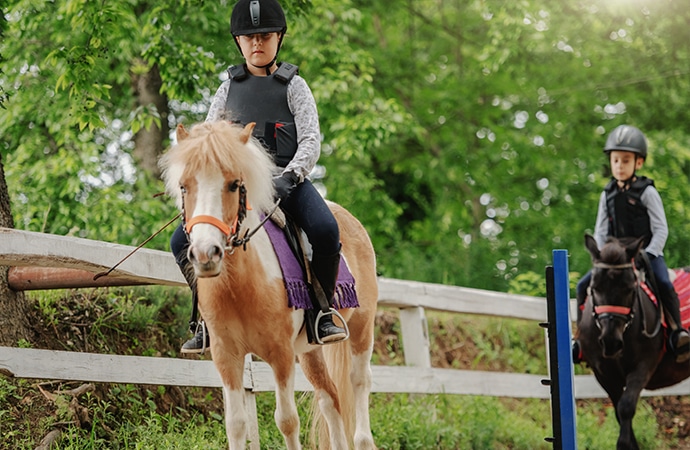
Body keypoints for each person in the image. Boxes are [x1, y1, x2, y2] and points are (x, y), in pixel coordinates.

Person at [172, 0, 347, 354]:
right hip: (236, 188)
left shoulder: (294, 86)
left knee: (326, 231)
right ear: (238, 41)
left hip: (286, 183)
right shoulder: (227, 89)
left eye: (265, 36)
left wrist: (293, 175)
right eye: (248, 37)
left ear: (278, 38)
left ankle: (321, 312)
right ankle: (204, 318)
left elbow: (311, 139)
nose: (257, 43)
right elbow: (209, 138)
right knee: (180, 241)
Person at [572, 125, 690, 364]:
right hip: (615, 258)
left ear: (639, 162)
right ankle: (581, 337)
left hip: (646, 252)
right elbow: (601, 231)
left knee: (665, 284)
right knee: (582, 286)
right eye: (616, 160)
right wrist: (603, 257)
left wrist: (647, 254)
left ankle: (677, 332)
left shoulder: (647, 192)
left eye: (626, 160)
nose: (619, 165)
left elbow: (661, 229)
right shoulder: (607, 194)